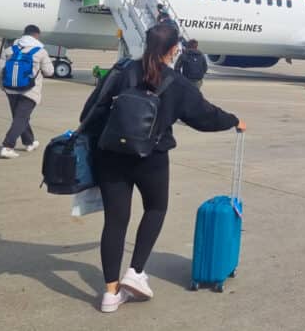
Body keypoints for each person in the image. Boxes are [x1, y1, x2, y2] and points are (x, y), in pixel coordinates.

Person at [78, 23, 245, 313]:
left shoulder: (120, 72)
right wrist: (233, 121)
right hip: (151, 157)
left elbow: (90, 111)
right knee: (155, 209)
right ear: (173, 50)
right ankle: (136, 272)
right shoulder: (176, 83)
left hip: (111, 156)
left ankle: (109, 294)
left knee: (115, 222)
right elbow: (204, 116)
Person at [0, 25, 54, 159]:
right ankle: (8, 146)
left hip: (10, 89)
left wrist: (3, 88)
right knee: (21, 118)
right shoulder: (40, 52)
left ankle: (29, 142)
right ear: (37, 35)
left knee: (20, 117)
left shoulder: (9, 50)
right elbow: (50, 71)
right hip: (30, 91)